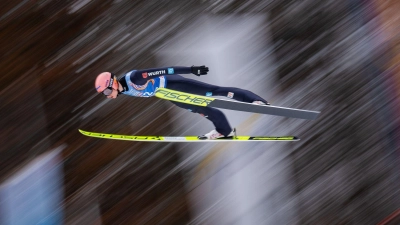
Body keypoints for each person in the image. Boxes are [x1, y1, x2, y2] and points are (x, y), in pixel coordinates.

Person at [94, 66, 269, 139]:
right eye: (105, 94)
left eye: (108, 91)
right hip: (168, 95)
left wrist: (192, 70)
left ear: (113, 83)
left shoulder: (134, 78)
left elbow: (164, 70)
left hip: (174, 84)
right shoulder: (123, 90)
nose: (108, 96)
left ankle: (257, 101)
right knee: (202, 110)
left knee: (215, 91)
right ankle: (224, 130)